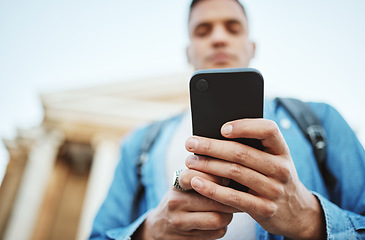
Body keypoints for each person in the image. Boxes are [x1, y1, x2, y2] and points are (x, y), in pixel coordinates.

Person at [90, 0, 365, 239]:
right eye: (203, 30)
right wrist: (151, 231)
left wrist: (309, 220)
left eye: (233, 28)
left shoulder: (320, 120)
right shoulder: (141, 143)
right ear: (188, 51)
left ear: (252, 46)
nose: (219, 38)